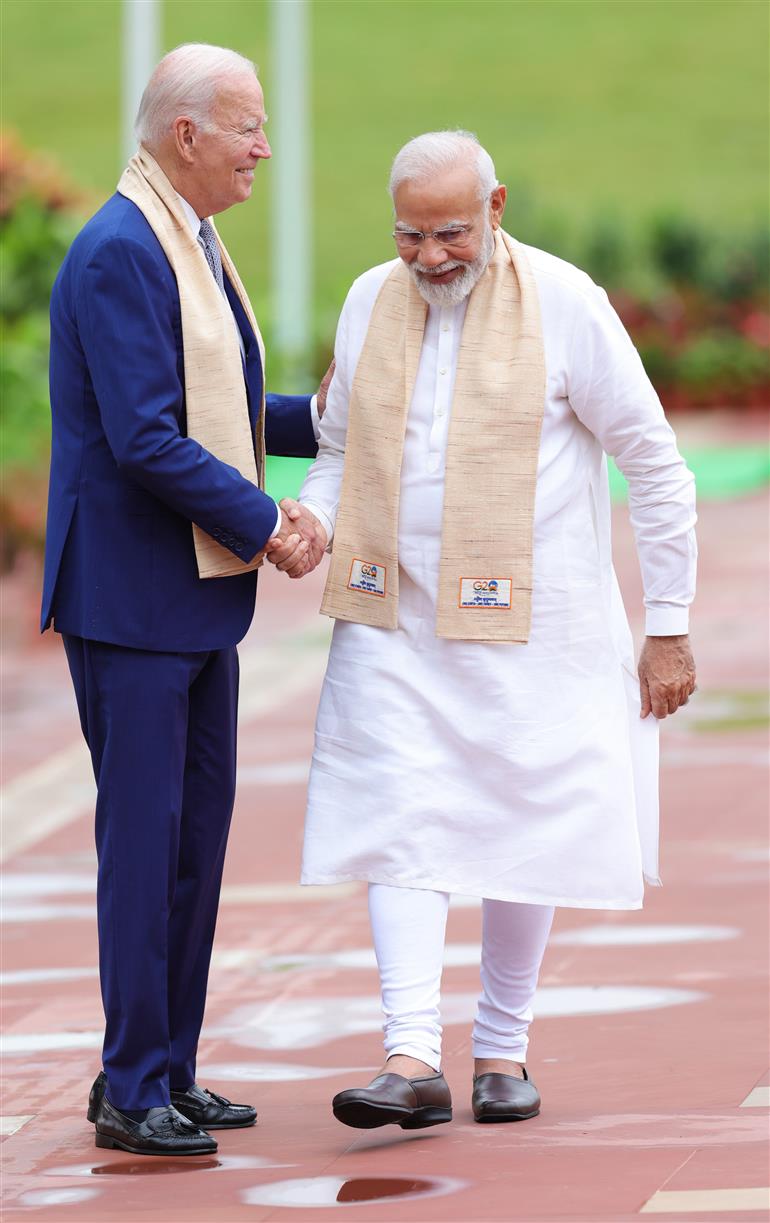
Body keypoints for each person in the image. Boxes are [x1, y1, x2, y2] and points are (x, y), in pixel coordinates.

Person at [288, 131, 697, 1130]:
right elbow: (337, 449)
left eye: (449, 234)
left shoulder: (564, 302)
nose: (427, 257)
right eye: (408, 235)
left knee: (528, 818)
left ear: (496, 207)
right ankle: (409, 1052)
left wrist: (668, 623)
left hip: (538, 625)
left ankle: (502, 1047)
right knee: (396, 811)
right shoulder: (364, 299)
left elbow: (651, 460)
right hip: (392, 617)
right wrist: (311, 518)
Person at [42, 43, 326, 1156]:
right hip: (131, 602)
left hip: (191, 602)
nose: (264, 146)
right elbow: (148, 435)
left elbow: (225, 402)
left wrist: (334, 415)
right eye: (247, 127)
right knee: (144, 841)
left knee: (195, 840)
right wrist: (267, 519)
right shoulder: (122, 249)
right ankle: (127, 1083)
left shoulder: (190, 238)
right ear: (185, 136)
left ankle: (172, 1067)